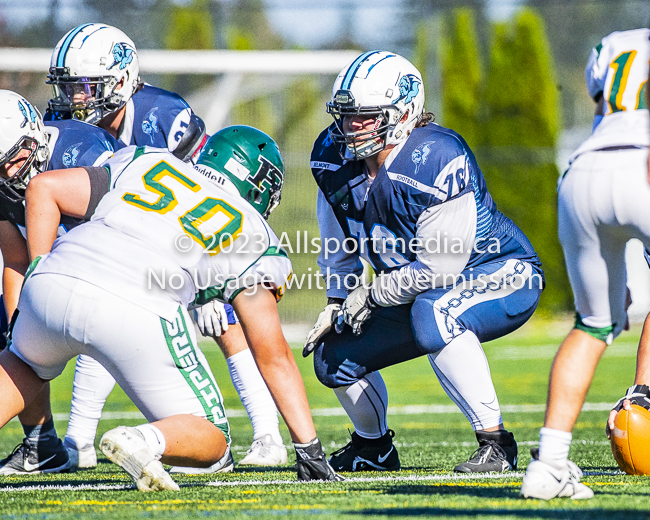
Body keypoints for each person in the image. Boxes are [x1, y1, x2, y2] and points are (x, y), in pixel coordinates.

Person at [0, 126, 341, 491]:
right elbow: (273, 355)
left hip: (56, 275)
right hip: (136, 305)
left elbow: (44, 188)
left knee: (24, 365)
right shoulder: (255, 233)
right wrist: (310, 449)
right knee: (215, 443)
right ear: (260, 187)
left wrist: (38, 272)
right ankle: (144, 440)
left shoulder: (147, 160)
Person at [43, 23, 287, 470]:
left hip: (185, 240)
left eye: (83, 87)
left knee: (229, 316)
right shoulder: (63, 127)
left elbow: (201, 202)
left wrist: (208, 286)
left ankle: (268, 436)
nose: (72, 99)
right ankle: (77, 441)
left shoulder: (163, 117)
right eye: (66, 87)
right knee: (102, 308)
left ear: (119, 81)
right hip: (115, 240)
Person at [304, 50, 544, 474]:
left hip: (499, 271)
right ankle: (373, 448)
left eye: (366, 115)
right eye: (346, 115)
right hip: (416, 286)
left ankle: (496, 443)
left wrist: (372, 293)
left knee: (434, 310)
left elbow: (440, 269)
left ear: (403, 112)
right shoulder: (333, 154)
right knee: (331, 354)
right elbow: (338, 233)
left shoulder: (435, 154)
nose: (351, 126)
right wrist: (337, 299)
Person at [520, 28, 650, 500]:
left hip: (584, 168)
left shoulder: (616, 44)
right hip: (644, 159)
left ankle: (548, 465)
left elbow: (605, 106)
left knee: (593, 325)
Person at [0, 89, 122, 475]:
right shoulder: (4, 178)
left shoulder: (83, 149)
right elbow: (16, 258)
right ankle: (42, 443)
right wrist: (20, 324)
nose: (7, 173)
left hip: (123, 264)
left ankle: (80, 440)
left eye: (13, 159)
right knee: (10, 331)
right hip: (53, 265)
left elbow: (128, 228)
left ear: (34, 134)